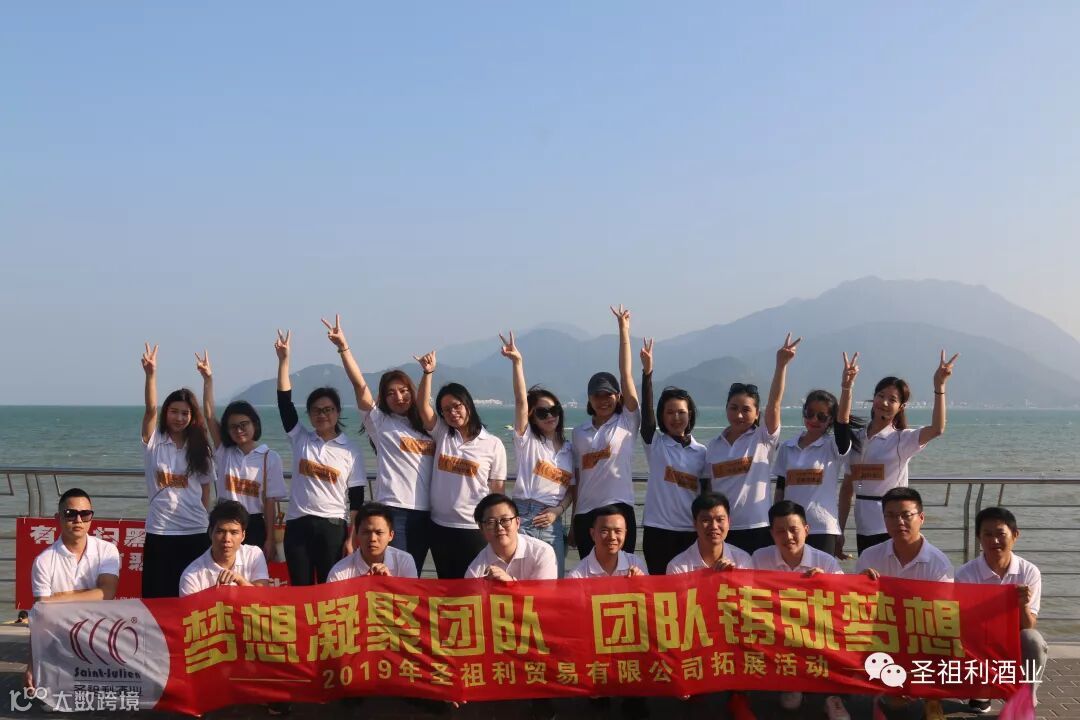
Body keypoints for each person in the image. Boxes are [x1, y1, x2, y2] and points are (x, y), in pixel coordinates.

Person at [324, 315, 434, 574]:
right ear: (384, 398)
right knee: (391, 575)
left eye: (404, 390)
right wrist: (343, 347)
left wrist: (428, 373)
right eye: (391, 393)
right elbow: (359, 386)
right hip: (394, 510)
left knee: (412, 575)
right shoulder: (381, 423)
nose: (399, 397)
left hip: (427, 513)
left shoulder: (429, 428)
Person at [838, 351, 959, 555]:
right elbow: (846, 489)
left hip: (893, 526)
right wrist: (839, 530)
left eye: (892, 399)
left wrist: (940, 386)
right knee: (869, 573)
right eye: (880, 396)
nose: (884, 402)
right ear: (873, 398)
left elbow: (937, 429)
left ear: (900, 407)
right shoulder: (857, 438)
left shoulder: (902, 439)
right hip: (863, 525)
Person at [274, 330, 367, 585]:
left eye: (328, 409)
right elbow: (284, 403)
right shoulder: (300, 438)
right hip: (298, 526)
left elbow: (356, 499)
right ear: (309, 414)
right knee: (301, 590)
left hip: (333, 527)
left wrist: (352, 538)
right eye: (316, 410)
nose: (322, 415)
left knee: (330, 590)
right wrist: (284, 361)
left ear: (337, 412)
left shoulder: (350, 450)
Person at [415, 351, 508, 579]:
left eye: (456, 406)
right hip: (440, 527)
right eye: (446, 410)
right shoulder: (442, 434)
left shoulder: (493, 444)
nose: (452, 413)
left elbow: (497, 491)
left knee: (475, 586)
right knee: (447, 586)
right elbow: (422, 406)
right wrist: (428, 373)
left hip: (474, 529)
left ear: (468, 405)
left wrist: (494, 526)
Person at [705, 334, 800, 554]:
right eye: (733, 408)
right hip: (722, 530)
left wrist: (781, 366)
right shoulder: (713, 446)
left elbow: (774, 404)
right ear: (726, 408)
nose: (739, 415)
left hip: (757, 527)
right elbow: (709, 489)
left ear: (757, 413)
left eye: (746, 410)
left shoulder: (763, 439)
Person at [751, 500, 847, 718]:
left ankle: (831, 696)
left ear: (806, 529)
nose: (788, 537)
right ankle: (791, 685)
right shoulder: (759, 558)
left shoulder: (826, 561)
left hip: (813, 635)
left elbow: (845, 601)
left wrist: (827, 584)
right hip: (776, 634)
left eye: (794, 530)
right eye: (780, 531)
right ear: (772, 534)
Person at [26, 488, 120, 690]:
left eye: (85, 514)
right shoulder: (43, 561)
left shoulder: (107, 550)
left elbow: (107, 593)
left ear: (91, 518)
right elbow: (42, 616)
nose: (78, 520)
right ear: (58, 517)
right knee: (53, 698)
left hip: (99, 635)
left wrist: (55, 600)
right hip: (60, 638)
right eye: (70, 514)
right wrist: (32, 663)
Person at [956, 507, 1048, 712]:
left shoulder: (1029, 571)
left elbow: (1029, 625)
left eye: (1000, 534)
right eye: (987, 534)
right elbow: (964, 623)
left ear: (1015, 535)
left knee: (1033, 639)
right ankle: (981, 690)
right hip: (980, 637)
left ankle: (1024, 697)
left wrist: (1022, 604)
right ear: (979, 538)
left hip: (1014, 636)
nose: (994, 540)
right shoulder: (965, 574)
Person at [196, 350, 285, 560]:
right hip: (223, 523)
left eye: (244, 424)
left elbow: (270, 503)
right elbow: (209, 415)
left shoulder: (269, 457)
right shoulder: (225, 452)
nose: (239, 430)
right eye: (233, 426)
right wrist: (208, 380)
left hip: (254, 525)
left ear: (255, 424)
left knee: (253, 574)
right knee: (221, 571)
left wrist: (269, 538)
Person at [140, 343, 213, 598]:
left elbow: (206, 489)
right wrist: (151, 374)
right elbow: (150, 409)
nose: (179, 418)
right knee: (158, 596)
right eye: (174, 412)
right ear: (166, 413)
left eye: (185, 413)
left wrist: (208, 381)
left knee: (193, 596)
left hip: (195, 530)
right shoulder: (154, 441)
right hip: (160, 530)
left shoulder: (200, 447)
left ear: (192, 416)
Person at [772, 352, 863, 557]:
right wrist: (775, 520)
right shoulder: (787, 447)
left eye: (822, 416)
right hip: (790, 527)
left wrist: (846, 387)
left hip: (822, 528)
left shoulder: (833, 446)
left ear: (830, 420)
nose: (814, 420)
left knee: (821, 577)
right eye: (810, 413)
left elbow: (843, 424)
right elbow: (780, 488)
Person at [499, 331, 573, 576]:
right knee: (518, 583)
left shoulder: (570, 450)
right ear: (532, 417)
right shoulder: (528, 441)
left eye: (554, 409)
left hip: (553, 523)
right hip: (523, 517)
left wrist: (558, 511)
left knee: (553, 584)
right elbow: (521, 401)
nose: (550, 415)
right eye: (542, 413)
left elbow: (573, 489)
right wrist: (517, 363)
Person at [571, 305, 641, 560]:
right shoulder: (579, 433)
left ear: (618, 396)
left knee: (623, 573)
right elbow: (578, 478)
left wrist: (623, 330)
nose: (603, 400)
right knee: (589, 575)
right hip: (586, 514)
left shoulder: (627, 423)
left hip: (620, 508)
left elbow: (626, 375)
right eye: (597, 396)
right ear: (590, 399)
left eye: (608, 395)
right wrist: (573, 519)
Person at [638, 339, 709, 575]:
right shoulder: (656, 444)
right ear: (662, 415)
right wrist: (647, 373)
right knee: (659, 588)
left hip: (690, 532)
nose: (676, 418)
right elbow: (646, 414)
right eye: (669, 412)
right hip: (657, 530)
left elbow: (706, 495)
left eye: (681, 412)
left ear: (690, 415)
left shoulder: (702, 453)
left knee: (689, 589)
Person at [855, 488, 953, 582]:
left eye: (906, 515)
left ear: (921, 518)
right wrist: (860, 582)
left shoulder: (940, 565)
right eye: (891, 515)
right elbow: (855, 593)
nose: (899, 522)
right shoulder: (869, 557)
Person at [179, 500, 271, 596]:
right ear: (210, 533)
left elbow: (263, 598)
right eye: (220, 532)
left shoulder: (254, 555)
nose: (227, 539)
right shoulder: (191, 576)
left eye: (234, 532)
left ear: (243, 535)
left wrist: (240, 580)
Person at [465, 494, 557, 581]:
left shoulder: (541, 553)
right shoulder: (476, 571)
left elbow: (544, 592)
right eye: (491, 522)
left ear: (517, 522)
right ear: (481, 528)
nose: (499, 527)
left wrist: (511, 584)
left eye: (505, 520)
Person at [328, 502, 419, 581]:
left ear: (391, 535)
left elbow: (413, 595)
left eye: (379, 533)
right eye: (366, 532)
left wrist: (390, 582)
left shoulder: (405, 561)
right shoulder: (339, 572)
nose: (372, 539)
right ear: (357, 534)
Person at [666, 492, 752, 573]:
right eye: (706, 520)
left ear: (729, 522)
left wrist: (731, 576)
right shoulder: (677, 567)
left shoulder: (742, 560)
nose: (714, 526)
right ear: (695, 524)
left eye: (720, 520)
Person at [566, 505, 648, 578]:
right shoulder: (578, 575)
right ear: (592, 534)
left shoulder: (636, 564)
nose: (612, 537)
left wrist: (641, 582)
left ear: (625, 534)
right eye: (604, 531)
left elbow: (648, 590)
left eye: (618, 531)